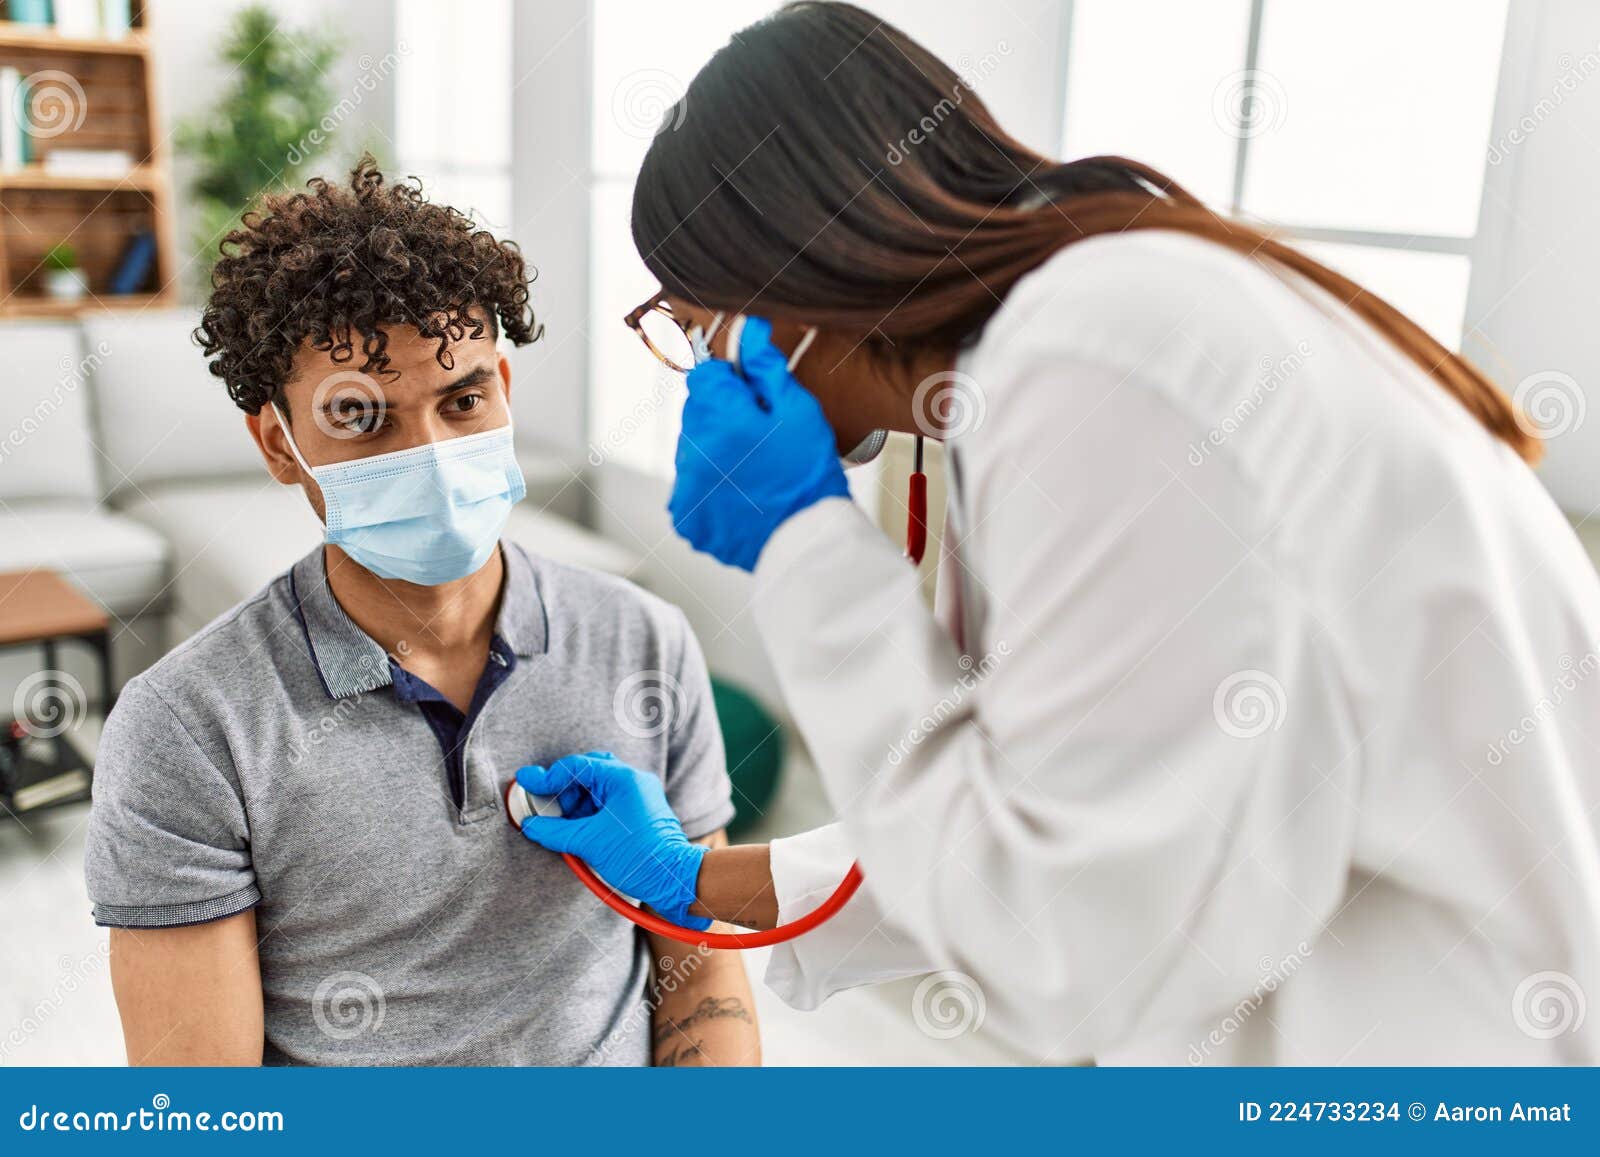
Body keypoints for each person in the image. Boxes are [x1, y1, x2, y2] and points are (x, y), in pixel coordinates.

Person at [517, 2, 1600, 1063]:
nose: (699, 361)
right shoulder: (1084, 331)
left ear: (779, 285)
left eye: (689, 315)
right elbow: (1065, 816)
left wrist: (803, 548)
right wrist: (695, 878)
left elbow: (1070, 947)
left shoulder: (1093, 363)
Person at [84, 158, 758, 1067]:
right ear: (278, 443)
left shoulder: (646, 641)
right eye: (361, 415)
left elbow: (704, 978)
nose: (431, 455)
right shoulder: (189, 728)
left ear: (504, 393)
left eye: (463, 399)